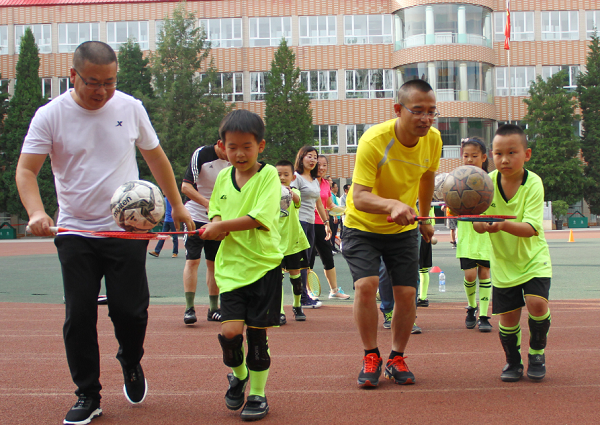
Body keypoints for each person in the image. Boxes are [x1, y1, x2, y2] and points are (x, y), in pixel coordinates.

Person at [15, 41, 194, 425]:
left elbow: (155, 156)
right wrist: (36, 212)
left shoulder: (129, 107)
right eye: (93, 82)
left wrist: (177, 204)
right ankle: (87, 395)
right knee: (78, 315)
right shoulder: (50, 115)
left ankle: (131, 361)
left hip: (125, 231)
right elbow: (26, 171)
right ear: (73, 75)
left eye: (109, 82)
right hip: (75, 231)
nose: (101, 91)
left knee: (130, 312)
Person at [341, 79, 441, 388]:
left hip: (403, 228)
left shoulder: (433, 139)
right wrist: (391, 205)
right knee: (367, 286)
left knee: (407, 294)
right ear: (398, 109)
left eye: (432, 111)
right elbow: (359, 196)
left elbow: (427, 178)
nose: (426, 119)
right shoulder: (374, 140)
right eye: (418, 111)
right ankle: (371, 355)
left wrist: (424, 217)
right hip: (362, 226)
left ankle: (396, 357)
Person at [200, 109, 282, 421]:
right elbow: (216, 211)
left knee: (258, 337)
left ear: (260, 146)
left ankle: (258, 395)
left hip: (263, 267)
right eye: (232, 147)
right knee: (231, 333)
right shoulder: (222, 176)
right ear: (222, 147)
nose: (239, 153)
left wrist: (222, 227)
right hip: (231, 269)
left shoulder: (269, 175)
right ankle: (240, 374)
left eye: (246, 146)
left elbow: (258, 218)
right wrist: (216, 223)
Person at [474, 124, 552, 382]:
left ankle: (537, 353)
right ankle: (513, 361)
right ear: (491, 156)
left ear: (526, 154)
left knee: (537, 304)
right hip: (504, 262)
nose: (504, 159)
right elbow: (476, 222)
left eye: (511, 152)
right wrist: (481, 224)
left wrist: (501, 224)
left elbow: (530, 228)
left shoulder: (534, 183)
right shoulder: (485, 184)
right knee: (507, 319)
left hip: (533, 259)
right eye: (498, 153)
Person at [180, 141, 230, 325]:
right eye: (229, 148)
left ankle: (214, 309)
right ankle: (189, 308)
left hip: (217, 218)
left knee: (214, 263)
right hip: (195, 214)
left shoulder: (234, 161)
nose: (231, 153)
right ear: (220, 143)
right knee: (193, 260)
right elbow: (186, 187)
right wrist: (207, 204)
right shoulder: (202, 154)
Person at [457, 137, 493, 332]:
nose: (469, 159)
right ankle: (471, 307)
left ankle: (485, 315)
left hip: (486, 233)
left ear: (484, 157)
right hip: (466, 234)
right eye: (466, 155)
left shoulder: (491, 180)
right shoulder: (458, 180)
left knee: (485, 273)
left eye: (474, 155)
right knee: (470, 275)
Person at [290, 146, 331, 309]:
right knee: (298, 261)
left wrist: (326, 223)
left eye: (315, 157)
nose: (313, 160)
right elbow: (291, 197)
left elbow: (319, 203)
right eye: (310, 156)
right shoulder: (296, 177)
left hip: (311, 224)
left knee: (306, 261)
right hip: (298, 222)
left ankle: (304, 296)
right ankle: (301, 297)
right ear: (301, 158)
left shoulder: (314, 180)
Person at [310, 155, 350, 300]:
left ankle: (334, 290)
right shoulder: (307, 181)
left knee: (328, 258)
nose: (321, 168)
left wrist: (347, 210)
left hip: (322, 224)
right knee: (308, 260)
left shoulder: (326, 183)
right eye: (318, 164)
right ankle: (309, 292)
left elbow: (329, 205)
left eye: (324, 165)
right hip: (307, 224)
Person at [275, 160, 311, 322]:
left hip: (294, 242)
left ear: (293, 176)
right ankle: (279, 311)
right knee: (277, 278)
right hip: (275, 242)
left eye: (285, 174)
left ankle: (297, 306)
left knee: (296, 277)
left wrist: (289, 192)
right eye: (278, 175)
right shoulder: (269, 193)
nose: (282, 177)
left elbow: (296, 200)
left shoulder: (295, 190)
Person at [416, 205, 435, 307]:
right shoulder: (428, 205)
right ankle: (423, 297)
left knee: (420, 269)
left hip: (418, 234)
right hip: (424, 234)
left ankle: (422, 297)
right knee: (423, 269)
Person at [329, 181, 341, 252]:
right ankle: (332, 247)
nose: (337, 188)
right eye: (336, 187)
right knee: (332, 233)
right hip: (333, 217)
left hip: (337, 216)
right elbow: (332, 207)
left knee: (334, 233)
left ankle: (333, 247)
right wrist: (335, 216)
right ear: (332, 188)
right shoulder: (331, 195)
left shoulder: (334, 195)